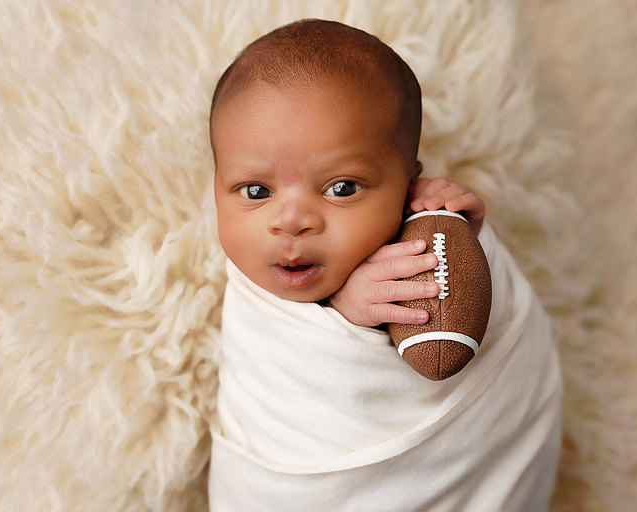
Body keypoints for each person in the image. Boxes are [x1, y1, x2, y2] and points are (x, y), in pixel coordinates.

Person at [209, 19, 562, 512]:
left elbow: (492, 336)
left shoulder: (415, 231)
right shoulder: (255, 302)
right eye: (256, 192)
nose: (291, 222)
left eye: (342, 188)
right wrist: (348, 311)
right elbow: (298, 368)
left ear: (407, 186)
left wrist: (464, 241)